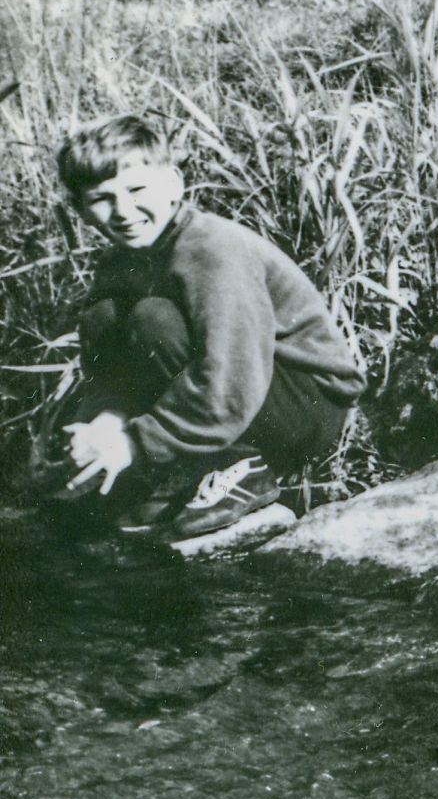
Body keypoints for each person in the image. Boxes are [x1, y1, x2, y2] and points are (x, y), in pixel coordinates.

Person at [34, 115, 365, 539]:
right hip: (237, 397)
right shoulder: (117, 262)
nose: (123, 211)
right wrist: (107, 421)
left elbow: (232, 375)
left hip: (303, 405)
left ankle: (244, 464)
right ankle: (190, 466)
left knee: (153, 319)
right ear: (80, 209)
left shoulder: (212, 249)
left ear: (173, 184)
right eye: (101, 198)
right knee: (106, 315)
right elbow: (110, 363)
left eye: (137, 190)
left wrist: (135, 443)